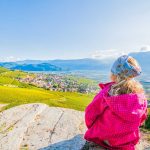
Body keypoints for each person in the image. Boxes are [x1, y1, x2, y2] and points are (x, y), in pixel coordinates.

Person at [83, 55, 148, 150]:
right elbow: (141, 118)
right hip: (127, 141)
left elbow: (90, 114)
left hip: (104, 138)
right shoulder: (140, 96)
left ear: (114, 74)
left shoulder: (107, 93)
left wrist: (92, 128)